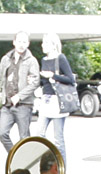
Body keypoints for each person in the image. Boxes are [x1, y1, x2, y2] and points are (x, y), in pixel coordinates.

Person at [0, 31, 40, 153]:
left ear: (28, 44)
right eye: (19, 41)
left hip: (23, 105)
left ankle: (28, 163)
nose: (21, 44)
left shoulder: (31, 61)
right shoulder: (5, 59)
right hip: (7, 104)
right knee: (2, 133)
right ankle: (15, 156)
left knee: (24, 138)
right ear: (14, 42)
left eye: (24, 42)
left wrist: (19, 96)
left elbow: (35, 82)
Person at [37, 33, 76, 163]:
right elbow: (45, 82)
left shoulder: (61, 58)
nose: (43, 45)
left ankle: (62, 169)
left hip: (57, 101)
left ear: (53, 45)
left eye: (46, 43)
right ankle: (43, 164)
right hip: (45, 99)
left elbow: (70, 79)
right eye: (43, 43)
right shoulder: (44, 60)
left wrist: (52, 75)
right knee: (39, 135)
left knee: (58, 139)